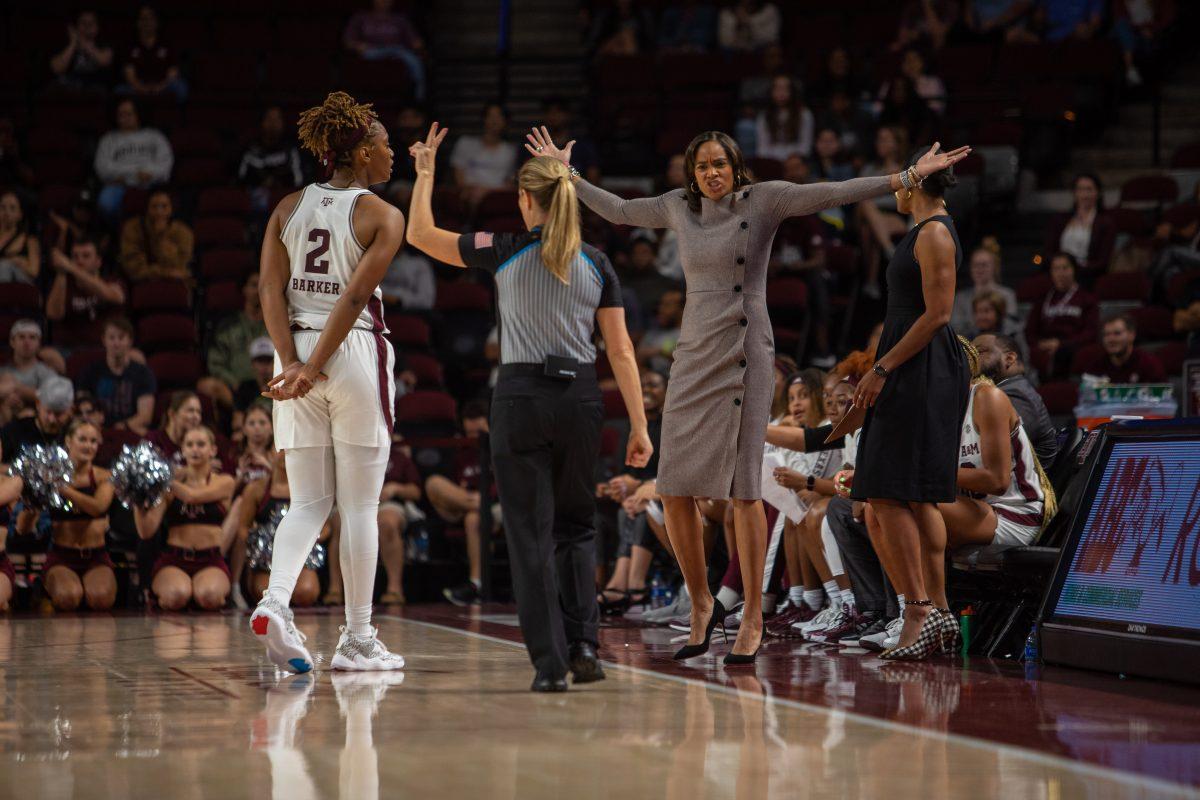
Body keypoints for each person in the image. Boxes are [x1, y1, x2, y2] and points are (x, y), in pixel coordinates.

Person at [530, 123, 971, 663]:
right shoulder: (676, 207)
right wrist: (567, 174)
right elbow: (619, 210)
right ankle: (700, 605)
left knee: (743, 491)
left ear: (735, 168)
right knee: (673, 487)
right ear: (691, 175)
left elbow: (832, 193)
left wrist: (903, 177)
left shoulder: (763, 200)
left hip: (747, 353)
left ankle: (754, 617)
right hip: (694, 355)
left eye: (719, 164)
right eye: (702, 166)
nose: (712, 174)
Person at [407, 123, 652, 692]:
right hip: (581, 401)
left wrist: (424, 174)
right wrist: (639, 423)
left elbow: (420, 234)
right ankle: (586, 647)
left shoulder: (506, 248)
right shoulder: (597, 261)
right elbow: (620, 349)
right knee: (577, 528)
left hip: (519, 399)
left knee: (529, 534)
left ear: (524, 200)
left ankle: (550, 665)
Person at [250, 91, 407, 674]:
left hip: (291, 351)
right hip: (352, 353)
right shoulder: (382, 214)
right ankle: (358, 640)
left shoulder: (287, 207)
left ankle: (273, 601)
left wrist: (293, 363)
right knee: (361, 505)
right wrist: (315, 366)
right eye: (387, 145)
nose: (393, 154)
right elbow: (356, 296)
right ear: (365, 152)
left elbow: (269, 290)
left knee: (308, 501)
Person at [850, 146, 972, 662]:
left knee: (886, 490)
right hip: (909, 365)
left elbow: (939, 315)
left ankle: (919, 609)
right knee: (910, 494)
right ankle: (935, 612)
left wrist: (882, 367)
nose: (894, 189)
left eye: (901, 181)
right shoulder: (921, 231)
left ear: (915, 186)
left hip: (921, 370)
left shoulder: (937, 233)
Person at [940, 343, 1053, 555]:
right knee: (877, 507)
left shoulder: (987, 398)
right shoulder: (934, 412)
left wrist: (928, 474)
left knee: (916, 501)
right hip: (971, 508)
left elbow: (997, 481)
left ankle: (928, 589)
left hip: (1013, 514)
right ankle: (901, 589)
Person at [17, 419, 116, 611]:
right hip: (62, 555)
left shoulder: (105, 477)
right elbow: (23, 527)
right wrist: (36, 499)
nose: (88, 445)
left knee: (101, 599)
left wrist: (60, 487)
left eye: (93, 441)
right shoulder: (48, 475)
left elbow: (98, 507)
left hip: (96, 556)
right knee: (68, 598)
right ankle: (44, 590)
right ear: (69, 441)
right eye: (83, 439)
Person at [135, 426, 236, 611]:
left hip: (210, 559)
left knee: (210, 596)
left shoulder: (224, 482)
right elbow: (146, 531)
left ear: (212, 450)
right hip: (174, 558)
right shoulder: (170, 487)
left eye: (201, 444)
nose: (195, 449)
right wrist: (136, 496)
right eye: (189, 444)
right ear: (182, 449)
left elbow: (193, 497)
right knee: (175, 596)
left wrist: (161, 477)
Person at [597, 369, 667, 614]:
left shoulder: (669, 426)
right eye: (643, 385)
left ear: (668, 391)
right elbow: (626, 473)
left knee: (644, 508)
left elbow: (669, 471)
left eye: (654, 385)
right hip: (641, 496)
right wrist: (618, 489)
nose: (647, 390)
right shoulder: (632, 427)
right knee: (625, 511)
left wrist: (638, 488)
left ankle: (636, 587)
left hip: (665, 495)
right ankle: (621, 583)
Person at [422, 400, 494, 606]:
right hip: (465, 503)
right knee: (433, 483)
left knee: (473, 519)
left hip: (496, 506)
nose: (474, 438)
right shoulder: (462, 451)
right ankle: (476, 505)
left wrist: (486, 496)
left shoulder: (497, 449)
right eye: (470, 432)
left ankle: (475, 584)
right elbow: (451, 484)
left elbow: (507, 485)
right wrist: (467, 496)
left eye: (479, 432)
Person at [239, 454, 325, 606]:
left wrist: (306, 542)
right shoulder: (256, 489)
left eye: (291, 450)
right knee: (270, 598)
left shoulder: (310, 489)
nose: (286, 454)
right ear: (271, 454)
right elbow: (243, 527)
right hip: (267, 560)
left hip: (301, 557)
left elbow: (326, 527)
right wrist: (260, 547)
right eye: (281, 449)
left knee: (306, 593)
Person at [973, 332, 1060, 468]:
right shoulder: (1000, 391)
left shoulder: (1018, 395)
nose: (971, 358)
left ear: (1009, 358)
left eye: (979, 351)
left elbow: (996, 456)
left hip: (1021, 487)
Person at [93, 99, 173, 222]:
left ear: (138, 115)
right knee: (106, 204)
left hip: (151, 184)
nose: (125, 118)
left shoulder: (154, 136)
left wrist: (151, 174)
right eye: (121, 114)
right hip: (118, 184)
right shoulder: (108, 139)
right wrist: (124, 175)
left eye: (129, 114)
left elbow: (166, 163)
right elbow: (102, 167)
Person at [1024, 252, 1099, 379]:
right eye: (1056, 269)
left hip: (1072, 348)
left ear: (1074, 270)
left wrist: (1061, 344)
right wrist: (1041, 344)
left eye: (1065, 268)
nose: (1060, 273)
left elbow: (1090, 333)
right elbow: (1030, 331)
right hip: (1045, 348)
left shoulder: (1087, 298)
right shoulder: (1043, 298)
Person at [78, 316, 157, 435]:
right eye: (111, 338)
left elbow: (145, 416)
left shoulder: (143, 374)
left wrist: (121, 427)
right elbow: (82, 406)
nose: (116, 343)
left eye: (121, 338)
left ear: (130, 341)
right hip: (96, 429)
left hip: (129, 429)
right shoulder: (91, 372)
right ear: (104, 340)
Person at [857, 126, 911, 298]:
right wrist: (887, 185)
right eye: (879, 139)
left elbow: (907, 200)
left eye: (885, 139)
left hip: (894, 215)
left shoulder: (906, 169)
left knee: (868, 231)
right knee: (866, 204)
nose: (880, 143)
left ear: (896, 144)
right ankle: (890, 251)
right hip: (863, 213)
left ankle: (871, 283)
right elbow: (857, 193)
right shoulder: (869, 169)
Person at [202, 273, 268, 410]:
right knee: (206, 384)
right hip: (236, 388)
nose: (258, 290)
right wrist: (234, 382)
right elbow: (215, 363)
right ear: (244, 289)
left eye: (262, 285)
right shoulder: (229, 327)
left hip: (269, 384)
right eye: (254, 285)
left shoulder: (275, 324)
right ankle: (241, 412)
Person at [46, 236, 127, 349]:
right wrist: (61, 273)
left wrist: (70, 267)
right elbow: (53, 314)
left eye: (86, 256)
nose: (80, 261)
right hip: (69, 349)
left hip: (107, 348)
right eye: (75, 257)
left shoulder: (111, 281)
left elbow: (114, 297)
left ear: (98, 261)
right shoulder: (63, 284)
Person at [342, 0, 427, 99]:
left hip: (397, 51)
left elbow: (415, 42)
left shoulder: (400, 19)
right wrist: (357, 45)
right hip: (372, 51)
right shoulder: (361, 18)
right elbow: (348, 41)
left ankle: (418, 95)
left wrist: (419, 46)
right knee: (365, 58)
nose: (384, 2)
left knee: (414, 61)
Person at [376, 437, 423, 604]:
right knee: (339, 523)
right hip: (354, 502)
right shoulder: (350, 453)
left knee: (387, 522)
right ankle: (335, 589)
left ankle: (394, 588)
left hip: (389, 504)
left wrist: (396, 488)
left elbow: (416, 492)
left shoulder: (398, 457)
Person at [1042, 173, 1116, 280]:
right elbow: (1045, 254)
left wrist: (1075, 270)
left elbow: (1103, 262)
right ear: (1074, 193)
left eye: (1089, 189)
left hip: (1088, 275)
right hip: (1057, 272)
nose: (1084, 195)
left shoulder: (1106, 223)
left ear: (1098, 193)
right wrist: (1058, 268)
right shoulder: (1059, 220)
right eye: (1080, 189)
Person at [450, 104, 518, 210]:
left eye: (499, 117)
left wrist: (487, 192)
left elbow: (509, 184)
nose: (494, 121)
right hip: (467, 199)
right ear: (483, 119)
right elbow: (459, 178)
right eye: (490, 116)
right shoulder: (465, 143)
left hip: (497, 201)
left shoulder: (510, 151)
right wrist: (472, 191)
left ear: (506, 122)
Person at [120, 188, 194, 283]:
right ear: (147, 208)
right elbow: (134, 268)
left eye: (164, 206)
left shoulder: (183, 232)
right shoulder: (132, 228)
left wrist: (162, 237)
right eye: (154, 207)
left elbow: (180, 266)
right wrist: (164, 273)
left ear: (171, 209)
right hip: (141, 282)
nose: (159, 212)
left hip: (175, 283)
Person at [238, 106, 305, 211]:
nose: (273, 124)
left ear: (282, 123)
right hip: (256, 204)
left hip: (284, 201)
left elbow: (299, 181)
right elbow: (241, 180)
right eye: (269, 119)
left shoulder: (291, 149)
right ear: (262, 122)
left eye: (277, 119)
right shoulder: (251, 149)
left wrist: (277, 182)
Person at [118, 6, 187, 101]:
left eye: (150, 18)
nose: (147, 22)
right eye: (143, 19)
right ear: (138, 23)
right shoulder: (130, 45)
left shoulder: (167, 44)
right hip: (138, 87)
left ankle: (180, 115)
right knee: (120, 90)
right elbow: (129, 75)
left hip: (163, 86)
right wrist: (142, 88)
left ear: (156, 22)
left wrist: (160, 87)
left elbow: (173, 72)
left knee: (180, 86)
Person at [1077, 311, 1166, 384]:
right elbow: (1087, 400)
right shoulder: (1096, 366)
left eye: (1117, 333)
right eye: (1106, 335)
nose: (1110, 339)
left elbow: (1164, 400)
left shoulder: (1149, 365)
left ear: (1132, 335)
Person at [0, 376, 74, 462]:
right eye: (48, 412)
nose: (52, 419)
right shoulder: (14, 431)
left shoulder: (77, 434)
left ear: (70, 410)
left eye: (58, 414)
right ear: (38, 404)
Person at [950, 246, 1017, 331]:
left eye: (984, 265)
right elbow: (956, 327)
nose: (979, 269)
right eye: (975, 265)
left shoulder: (1007, 295)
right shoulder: (960, 298)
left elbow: (1011, 325)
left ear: (994, 267)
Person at [0, 321, 60, 410]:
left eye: (32, 338)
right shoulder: (2, 371)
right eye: (21, 337)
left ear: (39, 343)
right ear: (12, 342)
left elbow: (55, 399)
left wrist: (18, 388)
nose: (27, 342)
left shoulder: (47, 373)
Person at [49, 10, 114, 91]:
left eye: (91, 23)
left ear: (97, 27)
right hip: (69, 85)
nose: (87, 27)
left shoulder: (103, 44)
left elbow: (104, 61)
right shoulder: (65, 44)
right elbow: (57, 69)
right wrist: (73, 44)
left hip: (95, 86)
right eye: (83, 23)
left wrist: (84, 43)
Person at [755, 75, 815, 161]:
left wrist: (792, 159)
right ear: (771, 91)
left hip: (796, 161)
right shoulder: (764, 116)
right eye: (777, 89)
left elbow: (805, 146)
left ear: (792, 91)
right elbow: (762, 147)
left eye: (785, 89)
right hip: (771, 160)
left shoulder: (805, 114)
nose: (781, 93)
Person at [0, 191, 40, 285]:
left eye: (12, 208)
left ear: (20, 214)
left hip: (19, 284)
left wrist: (15, 261)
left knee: (4, 267)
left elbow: (34, 271)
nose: (6, 212)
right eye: (2, 207)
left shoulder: (29, 240)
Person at [379, 244, 436, 310]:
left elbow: (426, 301)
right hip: (380, 310)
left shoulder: (420, 264)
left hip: (410, 314)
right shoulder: (378, 260)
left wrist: (398, 300)